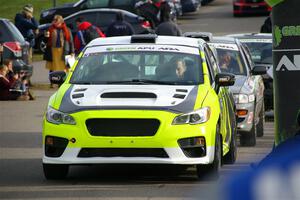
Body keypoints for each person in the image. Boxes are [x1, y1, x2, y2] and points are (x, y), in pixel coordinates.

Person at [44, 15, 74, 87]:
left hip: (63, 50)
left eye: (57, 21)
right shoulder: (50, 29)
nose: (55, 23)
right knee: (53, 67)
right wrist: (46, 37)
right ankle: (52, 82)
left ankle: (61, 82)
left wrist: (72, 51)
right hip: (53, 51)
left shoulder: (66, 29)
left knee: (63, 67)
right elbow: (46, 41)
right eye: (54, 21)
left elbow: (70, 41)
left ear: (61, 21)